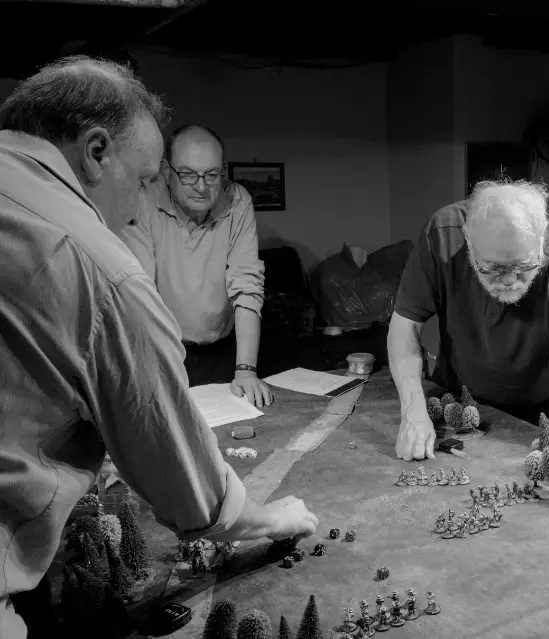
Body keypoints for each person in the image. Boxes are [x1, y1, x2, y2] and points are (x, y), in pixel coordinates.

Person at [0, 57, 317, 639]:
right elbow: (186, 483)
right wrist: (269, 517)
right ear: (96, 152)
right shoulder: (103, 267)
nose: (139, 201)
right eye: (146, 178)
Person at [388, 179, 549, 506]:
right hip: (463, 399)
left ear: (540, 244)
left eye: (524, 267)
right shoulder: (441, 236)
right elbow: (403, 329)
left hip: (546, 406)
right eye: (494, 269)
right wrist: (412, 409)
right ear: (468, 239)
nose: (510, 281)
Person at [120, 124, 273, 407]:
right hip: (162, 350)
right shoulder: (142, 200)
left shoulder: (237, 201)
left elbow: (247, 286)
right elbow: (138, 292)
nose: (202, 187)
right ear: (167, 170)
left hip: (222, 351)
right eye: (189, 174)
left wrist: (246, 370)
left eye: (212, 175)